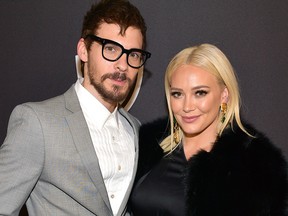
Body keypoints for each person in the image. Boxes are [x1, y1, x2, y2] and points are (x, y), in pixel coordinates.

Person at [0, 0, 151, 215]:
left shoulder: (135, 129)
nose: (122, 65)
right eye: (111, 49)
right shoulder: (37, 122)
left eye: (133, 54)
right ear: (84, 50)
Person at [129, 44, 287, 215]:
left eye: (200, 93)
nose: (187, 106)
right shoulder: (149, 145)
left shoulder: (256, 166)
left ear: (224, 95)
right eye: (177, 94)